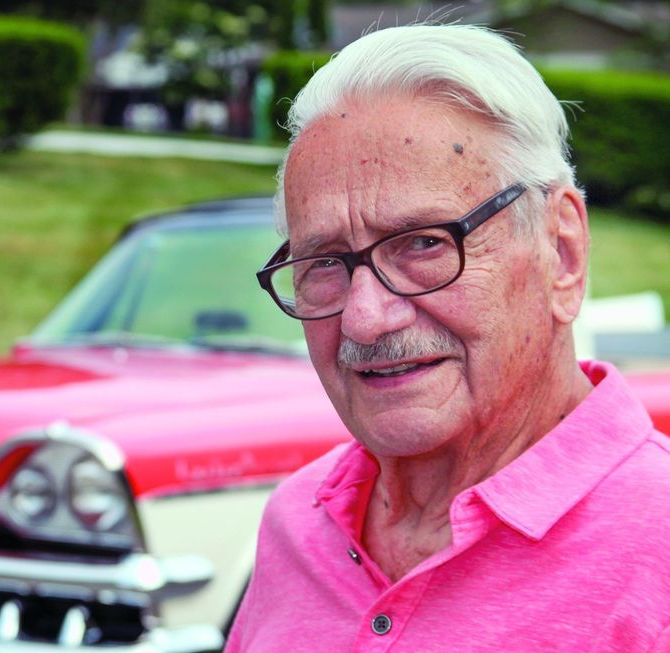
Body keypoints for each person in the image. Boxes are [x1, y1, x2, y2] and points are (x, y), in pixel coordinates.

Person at [227, 23, 670, 652]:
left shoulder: (658, 555)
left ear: (562, 251)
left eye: (425, 244)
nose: (365, 318)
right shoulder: (300, 522)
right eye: (323, 262)